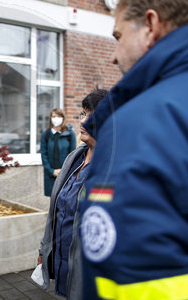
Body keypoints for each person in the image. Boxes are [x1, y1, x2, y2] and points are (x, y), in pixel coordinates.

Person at [79, 0, 188, 299]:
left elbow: (136, 285)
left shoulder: (138, 126)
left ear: (151, 26)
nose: (113, 56)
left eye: (118, 37)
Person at [38, 89, 107, 298]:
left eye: (90, 115)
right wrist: (44, 249)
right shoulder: (74, 158)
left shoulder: (113, 165)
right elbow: (55, 211)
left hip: (90, 277)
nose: (82, 121)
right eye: (82, 114)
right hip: (63, 268)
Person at [41, 108, 77, 197]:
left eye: (58, 116)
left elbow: (72, 155)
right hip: (50, 174)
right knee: (53, 199)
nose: (56, 118)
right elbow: (44, 155)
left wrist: (64, 171)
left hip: (65, 173)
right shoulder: (46, 134)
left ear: (63, 118)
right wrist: (51, 171)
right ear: (50, 118)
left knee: (64, 198)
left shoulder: (69, 134)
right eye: (54, 116)